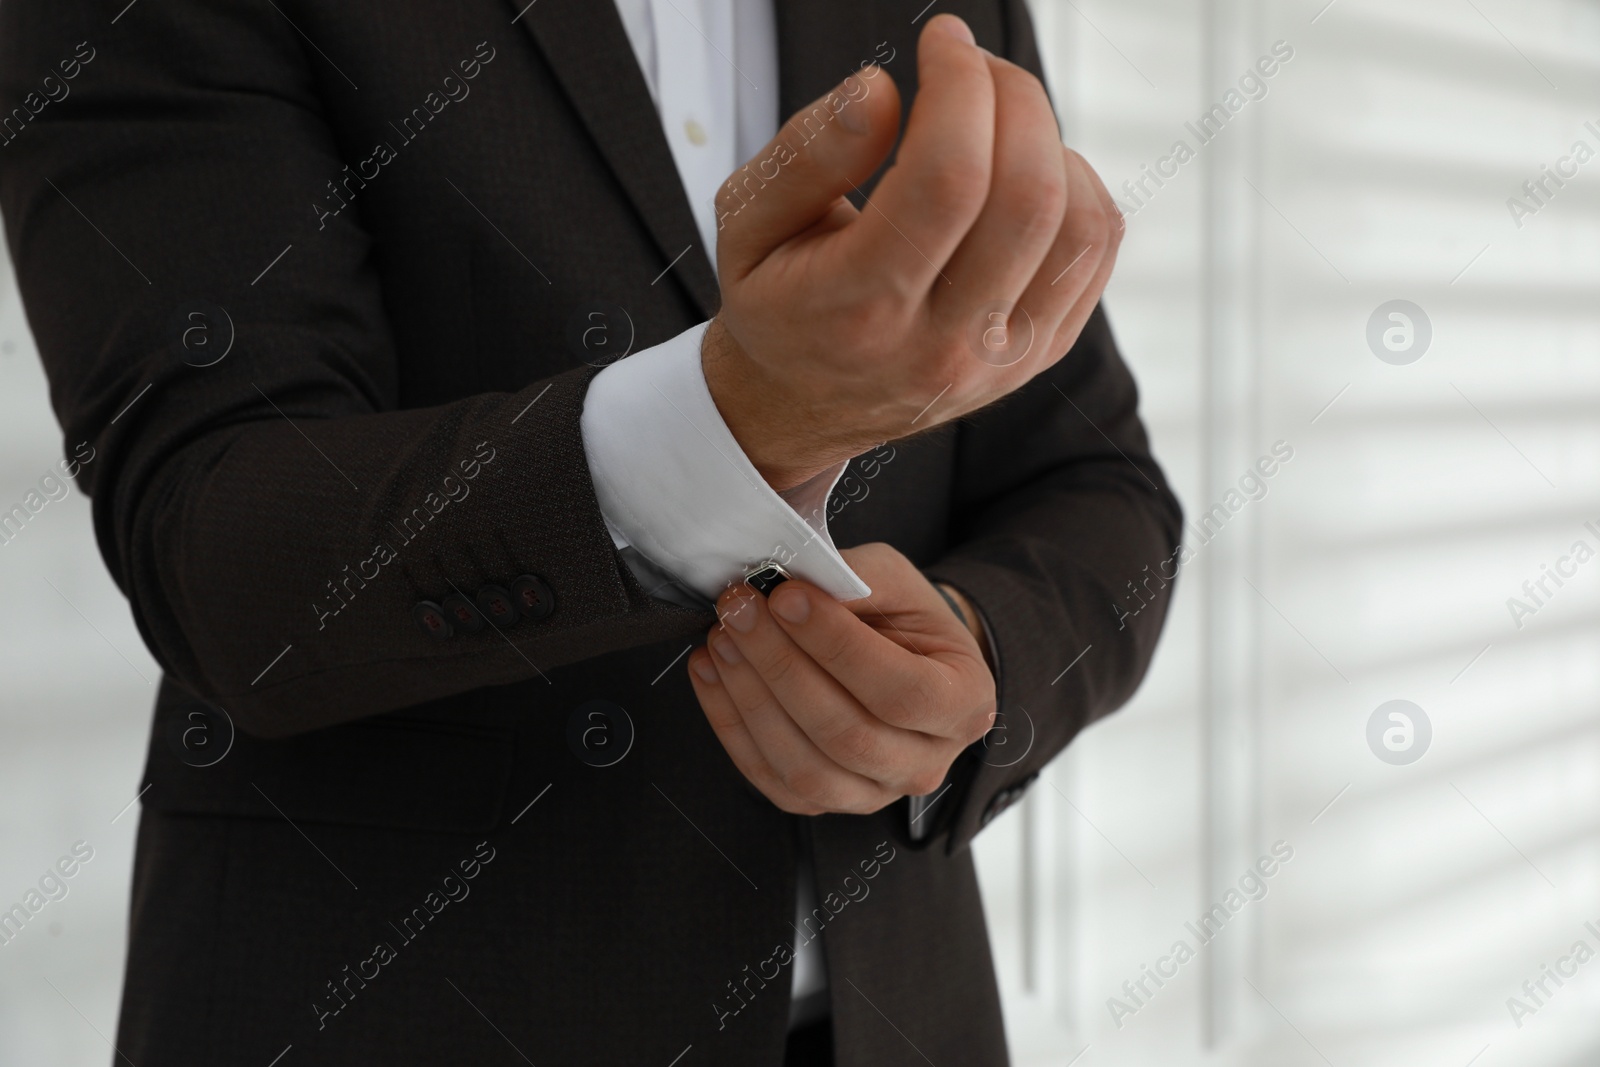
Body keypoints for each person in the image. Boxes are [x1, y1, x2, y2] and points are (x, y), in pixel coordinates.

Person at [0, 0, 1180, 1063]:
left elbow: (1100, 482)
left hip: (900, 1013)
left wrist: (976, 654)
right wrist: (734, 419)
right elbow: (216, 540)